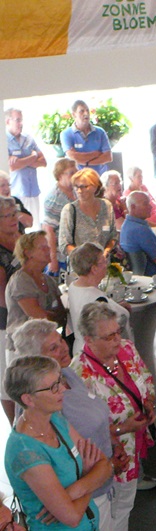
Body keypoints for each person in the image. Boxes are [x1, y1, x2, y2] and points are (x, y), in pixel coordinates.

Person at [12, 317, 131, 531]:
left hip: (87, 530)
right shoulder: (26, 448)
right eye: (52, 347)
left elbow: (102, 466)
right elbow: (69, 516)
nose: (60, 390)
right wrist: (93, 476)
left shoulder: (58, 416)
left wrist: (77, 487)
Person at [73, 303, 155, 531]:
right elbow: (84, 427)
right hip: (105, 454)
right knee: (105, 514)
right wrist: (123, 428)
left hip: (132, 446)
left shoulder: (128, 349)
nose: (116, 340)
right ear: (88, 340)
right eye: (108, 337)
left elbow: (145, 379)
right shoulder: (80, 374)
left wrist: (150, 404)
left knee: (125, 503)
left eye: (117, 332)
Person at [5, 232, 67, 359]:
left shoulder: (49, 280)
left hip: (45, 347)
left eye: (48, 246)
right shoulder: (21, 280)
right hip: (22, 351)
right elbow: (39, 317)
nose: (48, 250)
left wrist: (51, 316)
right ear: (28, 253)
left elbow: (62, 315)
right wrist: (50, 316)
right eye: (42, 247)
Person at [67, 242, 132, 348]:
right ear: (94, 269)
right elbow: (110, 332)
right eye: (103, 261)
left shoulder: (74, 286)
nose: (106, 264)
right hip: (101, 354)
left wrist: (116, 306)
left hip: (81, 348)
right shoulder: (97, 300)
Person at [58, 168, 118, 259]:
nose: (79, 191)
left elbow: (113, 236)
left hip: (103, 265)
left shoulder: (107, 206)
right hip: (80, 267)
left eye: (84, 187)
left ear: (95, 186)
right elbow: (64, 244)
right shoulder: (70, 210)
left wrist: (105, 253)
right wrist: (85, 259)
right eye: (76, 187)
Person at [5, 107, 46, 228]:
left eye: (21, 120)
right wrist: (33, 156)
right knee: (22, 229)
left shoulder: (28, 138)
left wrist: (21, 161)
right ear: (8, 121)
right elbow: (12, 166)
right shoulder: (4, 141)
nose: (21, 123)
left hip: (33, 191)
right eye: (17, 120)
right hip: (18, 192)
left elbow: (43, 161)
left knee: (36, 228)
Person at [42, 158, 78, 275]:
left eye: (76, 171)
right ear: (60, 175)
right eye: (71, 173)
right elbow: (48, 230)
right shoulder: (55, 198)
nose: (75, 175)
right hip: (61, 256)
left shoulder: (75, 192)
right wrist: (52, 259)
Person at [0, 197, 21, 393]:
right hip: (5, 320)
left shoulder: (20, 236)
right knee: (8, 377)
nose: (13, 218)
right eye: (7, 216)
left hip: (25, 313)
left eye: (14, 213)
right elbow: (1, 296)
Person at [119, 191, 156, 275]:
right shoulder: (140, 230)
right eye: (145, 204)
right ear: (133, 207)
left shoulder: (127, 225)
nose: (150, 207)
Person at [59, 99, 112, 175]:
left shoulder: (100, 132)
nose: (86, 113)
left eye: (87, 110)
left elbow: (108, 157)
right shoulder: (66, 134)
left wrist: (85, 163)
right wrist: (96, 154)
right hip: (80, 179)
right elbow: (73, 158)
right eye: (82, 111)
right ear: (74, 115)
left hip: (100, 178)